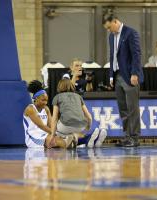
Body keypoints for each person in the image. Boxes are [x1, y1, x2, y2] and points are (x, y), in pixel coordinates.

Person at [102, 12, 144, 147]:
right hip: (117, 75)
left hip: (129, 76)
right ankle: (127, 137)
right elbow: (112, 56)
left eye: (109, 27)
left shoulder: (130, 33)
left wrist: (135, 73)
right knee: (123, 109)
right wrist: (110, 75)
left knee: (133, 108)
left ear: (115, 21)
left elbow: (136, 55)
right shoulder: (111, 36)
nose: (109, 30)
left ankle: (135, 138)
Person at [51, 78, 107, 148]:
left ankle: (74, 140)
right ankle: (87, 139)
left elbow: (54, 118)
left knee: (58, 132)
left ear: (59, 86)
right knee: (73, 133)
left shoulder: (57, 97)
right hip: (81, 126)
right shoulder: (78, 96)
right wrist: (88, 128)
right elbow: (89, 116)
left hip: (65, 126)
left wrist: (52, 135)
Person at [23, 80, 74, 149]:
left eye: (46, 100)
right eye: (43, 100)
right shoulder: (30, 109)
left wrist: (60, 132)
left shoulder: (46, 109)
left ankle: (68, 143)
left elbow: (51, 125)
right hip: (34, 138)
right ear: (36, 99)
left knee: (61, 140)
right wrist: (57, 134)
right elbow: (41, 126)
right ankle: (67, 145)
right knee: (58, 142)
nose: (45, 103)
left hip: (45, 134)